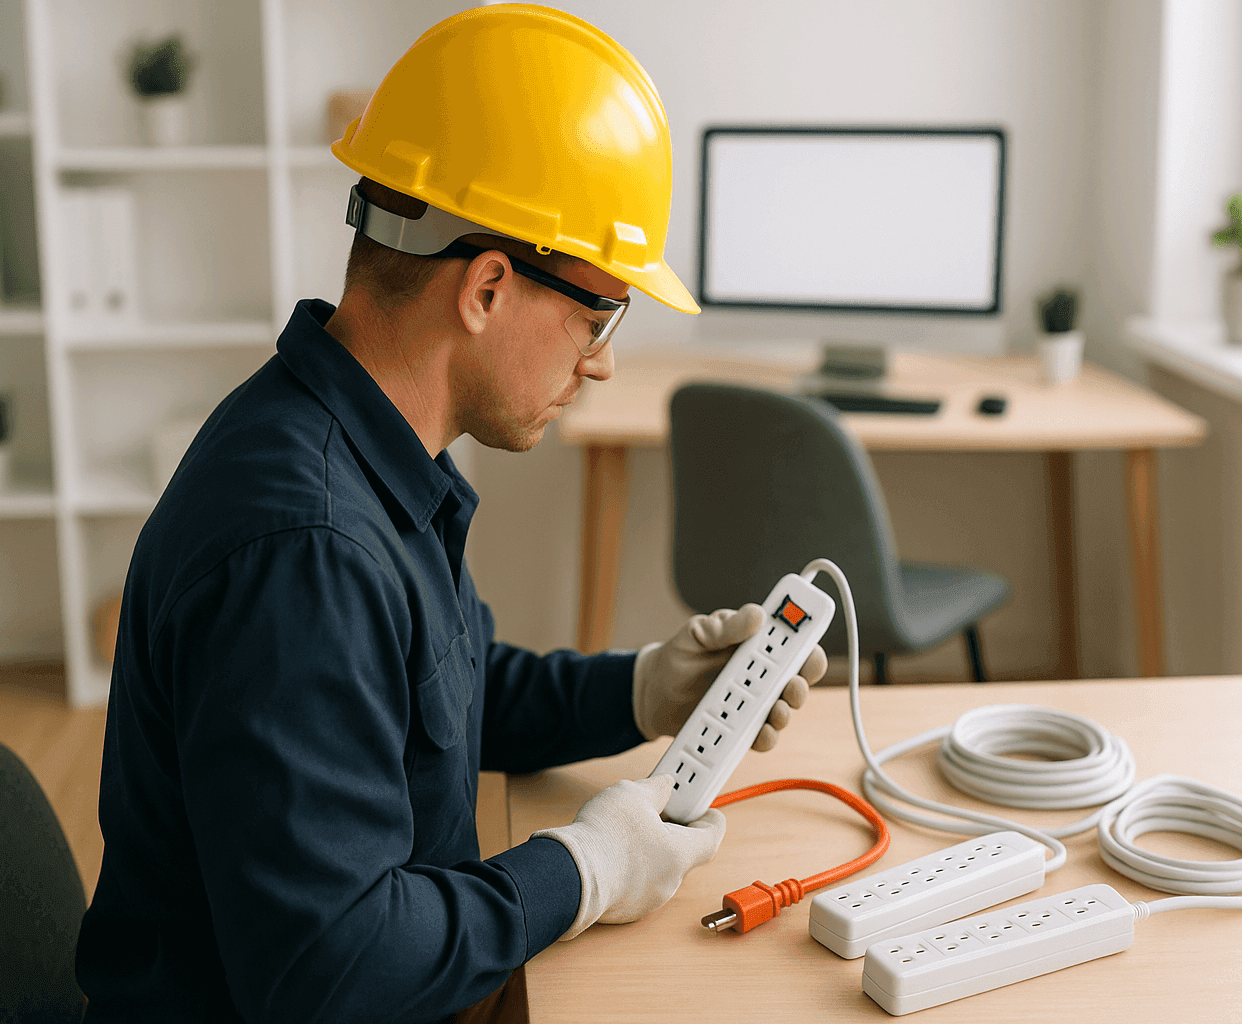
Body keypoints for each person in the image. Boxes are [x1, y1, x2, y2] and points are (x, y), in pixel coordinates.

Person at [73, 8, 827, 1023]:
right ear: (485, 287)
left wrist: (647, 688)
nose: (600, 359)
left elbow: (445, 692)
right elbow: (332, 973)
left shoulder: (361, 448)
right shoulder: (306, 549)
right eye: (599, 313)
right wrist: (583, 868)